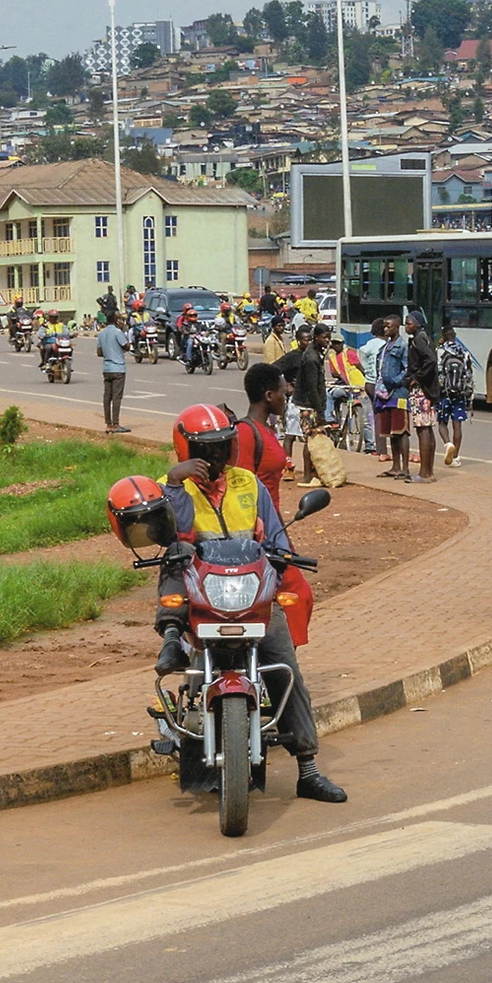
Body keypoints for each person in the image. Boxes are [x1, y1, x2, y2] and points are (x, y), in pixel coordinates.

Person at [158, 405, 343, 803]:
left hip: (249, 594)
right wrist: (176, 482)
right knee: (172, 560)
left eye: (222, 447)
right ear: (184, 449)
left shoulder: (249, 484)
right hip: (201, 595)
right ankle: (170, 637)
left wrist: (280, 558)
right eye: (205, 450)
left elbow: (275, 537)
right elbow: (175, 533)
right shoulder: (172, 488)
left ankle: (308, 769)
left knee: (284, 667)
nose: (215, 458)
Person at [238, 364, 292, 503]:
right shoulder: (246, 433)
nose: (285, 399)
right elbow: (241, 488)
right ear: (269, 395)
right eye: (283, 394)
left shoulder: (267, 429)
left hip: (271, 518)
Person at [276, 325, 326, 475]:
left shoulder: (315, 355)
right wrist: (286, 386)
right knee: (291, 435)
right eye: (306, 340)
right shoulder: (294, 357)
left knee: (308, 437)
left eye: (310, 339)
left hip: (307, 401)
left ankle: (310, 469)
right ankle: (288, 466)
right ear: (298, 341)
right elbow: (273, 369)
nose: (308, 342)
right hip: (298, 402)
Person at [368, 319, 411, 478]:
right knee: (391, 432)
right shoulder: (385, 346)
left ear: (397, 327)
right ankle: (395, 466)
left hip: (398, 394)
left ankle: (405, 469)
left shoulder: (403, 346)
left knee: (402, 431)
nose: (385, 329)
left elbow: (407, 369)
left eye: (389, 326)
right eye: (384, 326)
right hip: (383, 394)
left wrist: (395, 382)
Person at [404, 312, 439, 483]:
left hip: (421, 390)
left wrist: (416, 378)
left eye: (409, 323)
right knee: (428, 429)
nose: (406, 327)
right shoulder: (423, 338)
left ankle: (425, 473)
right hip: (428, 389)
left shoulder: (419, 339)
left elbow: (431, 360)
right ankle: (428, 471)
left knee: (423, 428)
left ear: (417, 324)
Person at [436, 326, 475, 468]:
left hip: (444, 394)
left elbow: (437, 373)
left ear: (444, 336)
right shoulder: (464, 353)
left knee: (442, 422)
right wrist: (469, 399)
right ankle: (456, 457)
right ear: (455, 335)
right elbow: (469, 377)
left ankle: (447, 443)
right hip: (459, 394)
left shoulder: (440, 352)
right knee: (457, 425)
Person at [96, 308, 131, 432]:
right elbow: (127, 346)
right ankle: (116, 424)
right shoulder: (117, 332)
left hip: (107, 368)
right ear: (116, 320)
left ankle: (108, 424)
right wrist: (124, 331)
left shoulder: (102, 333)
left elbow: (99, 352)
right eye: (120, 319)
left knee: (107, 397)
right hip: (118, 368)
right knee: (116, 397)